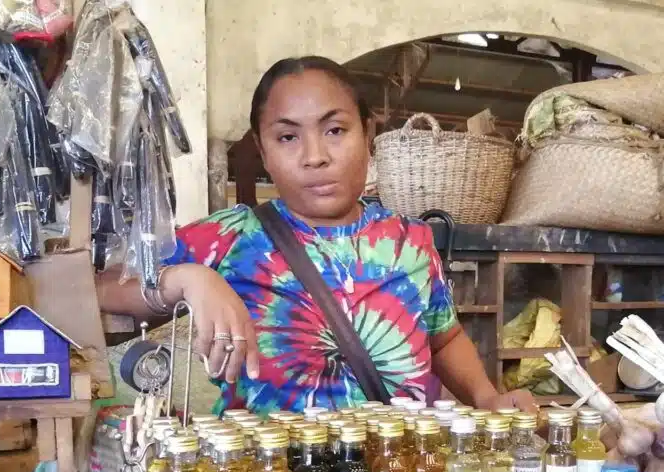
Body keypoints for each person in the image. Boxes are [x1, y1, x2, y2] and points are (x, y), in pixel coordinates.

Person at [97, 56, 538, 416]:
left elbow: (444, 338)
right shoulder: (230, 238)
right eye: (288, 136)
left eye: (335, 130)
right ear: (263, 149)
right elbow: (100, 291)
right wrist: (189, 279)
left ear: (369, 134)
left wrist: (486, 397)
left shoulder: (410, 241)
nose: (314, 156)